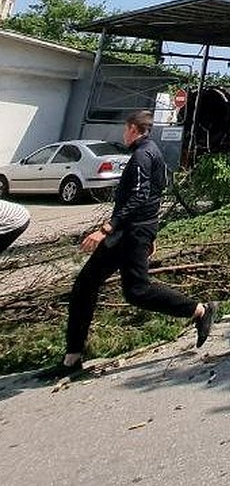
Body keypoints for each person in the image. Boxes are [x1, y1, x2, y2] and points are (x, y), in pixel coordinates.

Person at [39, 111, 216, 381]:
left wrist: (106, 229)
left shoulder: (143, 155)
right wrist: (150, 232)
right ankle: (72, 357)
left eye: (125, 129)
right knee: (85, 285)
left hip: (128, 233)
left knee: (136, 290)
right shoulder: (152, 151)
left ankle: (200, 310)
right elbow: (154, 196)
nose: (124, 134)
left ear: (134, 129)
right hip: (131, 233)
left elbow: (140, 196)